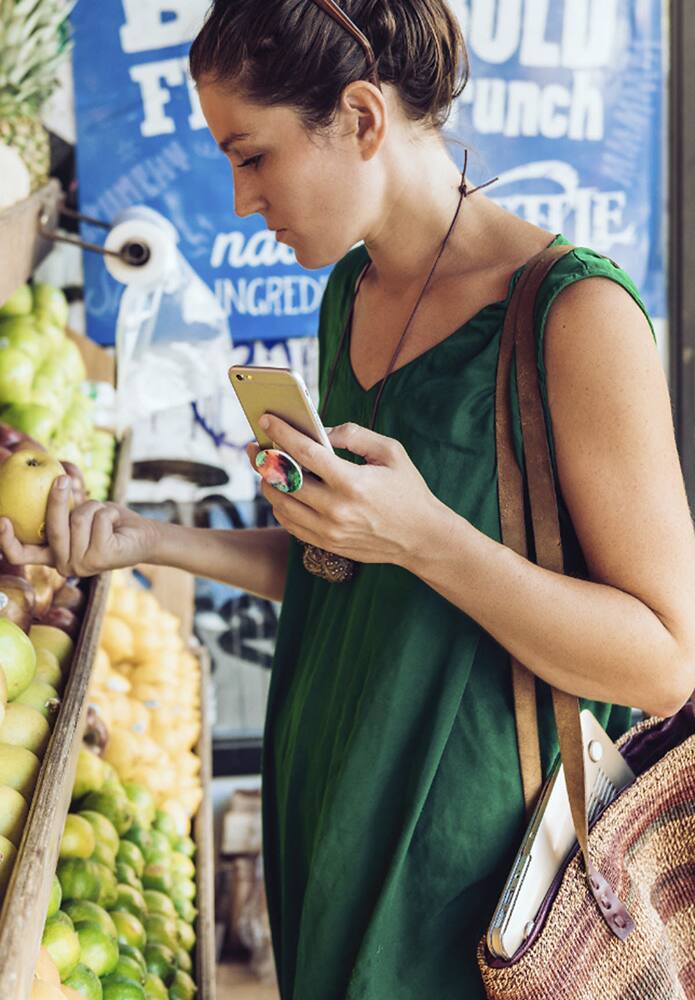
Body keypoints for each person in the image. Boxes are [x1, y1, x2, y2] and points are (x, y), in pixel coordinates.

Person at [3, 1, 695, 996]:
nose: (241, 200)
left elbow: (666, 659)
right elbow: (348, 576)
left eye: (252, 155)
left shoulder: (572, 313)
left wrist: (426, 539)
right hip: (329, 814)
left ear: (363, 119)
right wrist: (144, 537)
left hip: (477, 874)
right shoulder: (353, 294)